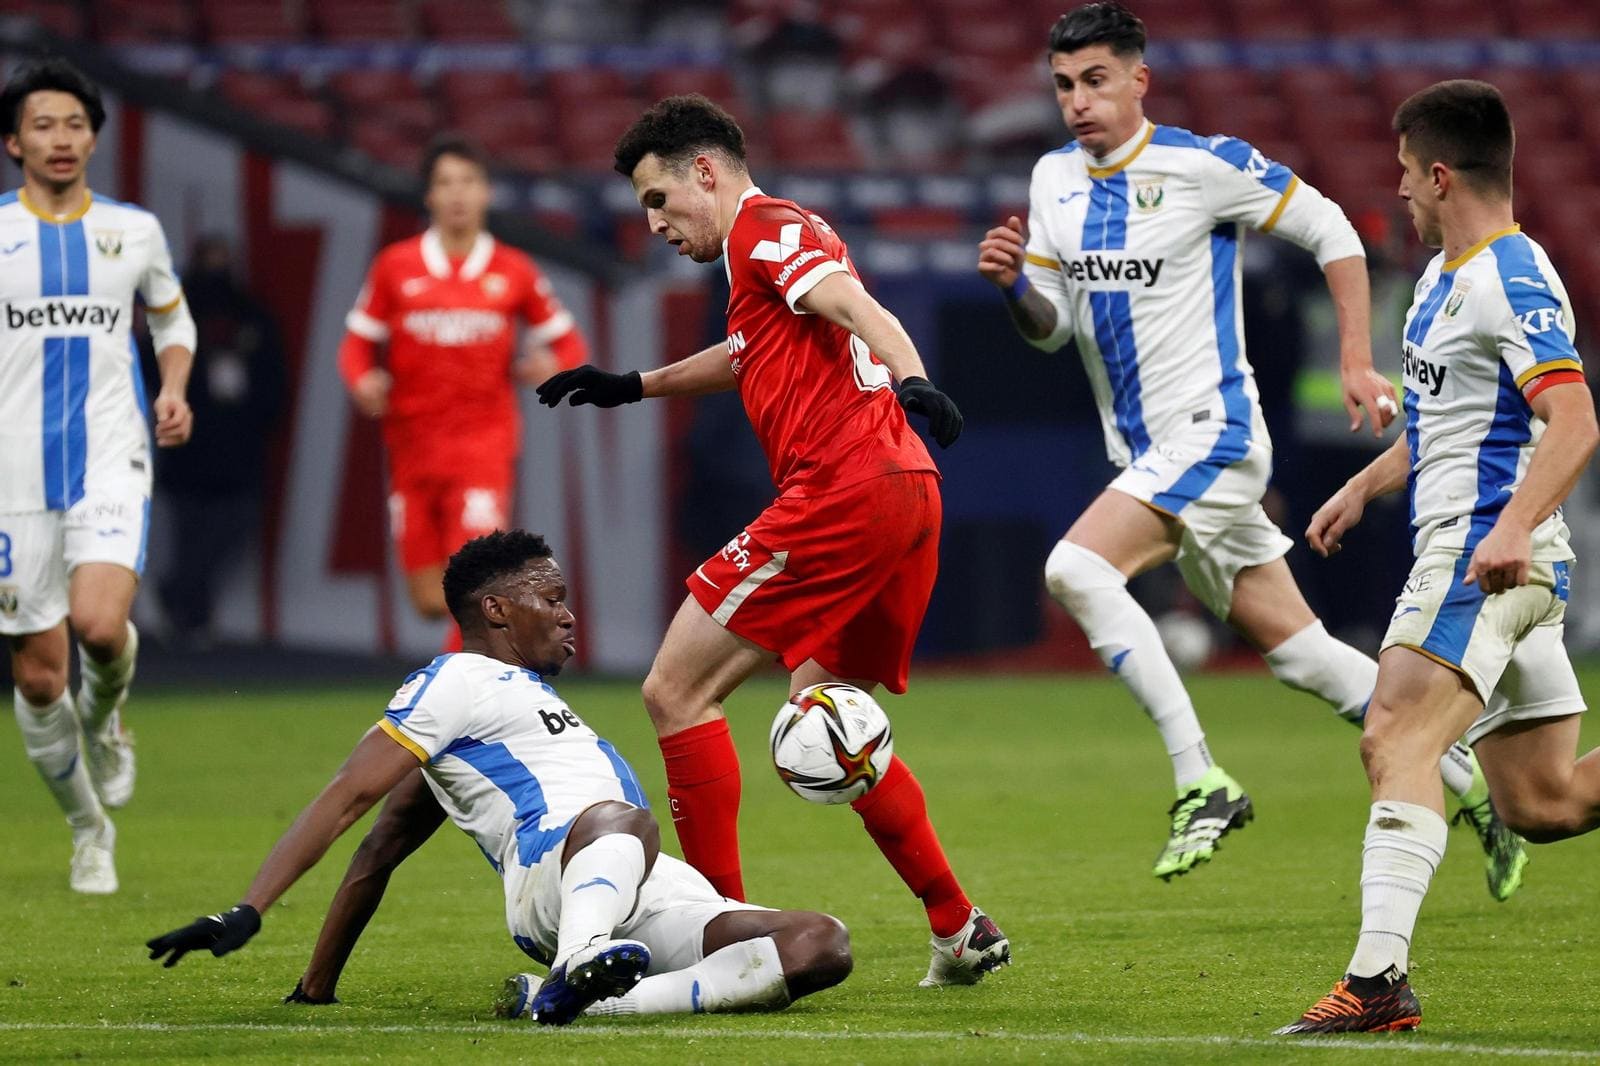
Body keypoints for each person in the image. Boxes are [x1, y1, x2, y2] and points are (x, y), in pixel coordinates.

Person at [975, 3, 1522, 890]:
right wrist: (1011, 290)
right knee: (1302, 653)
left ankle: (1201, 780)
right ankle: (1473, 789)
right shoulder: (1051, 183)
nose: (1078, 100)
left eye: (1097, 80)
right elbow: (1050, 328)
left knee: (1076, 570)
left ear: (1139, 79)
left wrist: (1355, 357)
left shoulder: (1203, 165)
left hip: (1215, 435)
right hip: (1147, 454)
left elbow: (1334, 231)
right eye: (1065, 85)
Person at [537, 94, 1009, 987]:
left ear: (704, 173)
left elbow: (855, 306)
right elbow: (749, 350)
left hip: (843, 489)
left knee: (675, 689)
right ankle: (957, 922)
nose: (656, 223)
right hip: (906, 494)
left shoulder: (762, 230)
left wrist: (914, 377)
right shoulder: (774, 245)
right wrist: (633, 385)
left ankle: (718, 931)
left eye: (658, 200)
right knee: (829, 722)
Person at [146, 530, 853, 1025]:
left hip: (644, 892)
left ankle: (606, 999)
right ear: (495, 610)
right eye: (551, 598)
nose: (569, 614)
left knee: (822, 943)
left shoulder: (511, 707)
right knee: (623, 817)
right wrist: (249, 909)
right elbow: (349, 797)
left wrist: (315, 989)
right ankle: (579, 959)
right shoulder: (454, 681)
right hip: (561, 878)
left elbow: (381, 850)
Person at [1278, 80, 1600, 1035]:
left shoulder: (1512, 275)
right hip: (1485, 550)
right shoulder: (1443, 279)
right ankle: (1379, 985)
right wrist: (1362, 487)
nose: (1403, 192)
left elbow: (1574, 421)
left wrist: (1508, 531)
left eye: (1408, 175)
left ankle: (1377, 983)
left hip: (1482, 555)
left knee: (1395, 736)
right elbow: (1447, 424)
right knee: (1544, 801)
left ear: (1444, 173)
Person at [0, 59, 196, 894]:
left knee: (100, 628)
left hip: (110, 457)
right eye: (43, 125)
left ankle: (109, 712)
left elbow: (170, 317)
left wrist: (176, 388)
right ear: (13, 143)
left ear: (93, 137)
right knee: (39, 676)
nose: (60, 138)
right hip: (12, 476)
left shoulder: (133, 232)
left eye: (74, 124)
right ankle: (89, 830)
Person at [337, 135, 587, 649]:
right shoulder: (396, 266)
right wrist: (362, 381)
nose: (457, 194)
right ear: (428, 196)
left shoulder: (513, 269)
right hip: (411, 447)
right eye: (446, 183)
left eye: (468, 182)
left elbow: (569, 342)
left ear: (486, 193)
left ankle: (463, 703)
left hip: (483, 447)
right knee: (432, 600)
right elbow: (356, 346)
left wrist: (549, 364)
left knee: (474, 587)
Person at [150, 234, 285, 646]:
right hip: (189, 446)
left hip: (238, 449)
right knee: (191, 533)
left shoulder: (251, 316)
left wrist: (259, 412)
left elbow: (274, 377)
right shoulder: (178, 319)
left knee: (230, 528)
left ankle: (182, 595)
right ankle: (191, 613)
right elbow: (149, 366)